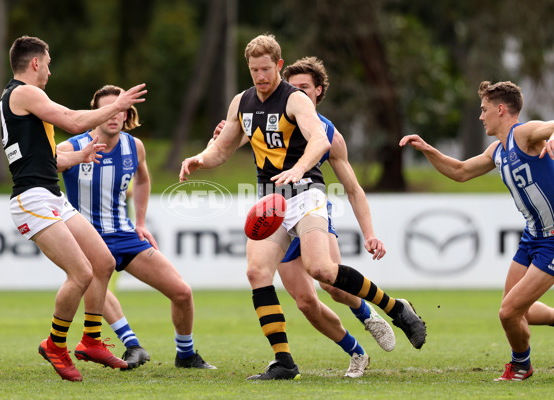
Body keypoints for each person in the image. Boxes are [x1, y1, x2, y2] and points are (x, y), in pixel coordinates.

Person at [180, 34, 426, 380]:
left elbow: (320, 139)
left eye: (266, 69)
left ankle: (395, 308)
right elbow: (221, 150)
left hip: (306, 192)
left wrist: (297, 168)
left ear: (278, 65)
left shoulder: (295, 99)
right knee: (257, 273)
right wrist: (199, 160)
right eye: (254, 70)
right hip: (269, 198)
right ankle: (284, 362)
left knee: (323, 271)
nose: (260, 76)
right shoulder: (242, 102)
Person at [0, 36, 146, 381]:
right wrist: (117, 105)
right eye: (47, 63)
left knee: (103, 262)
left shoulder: (23, 99)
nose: (49, 71)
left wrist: (76, 156)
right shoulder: (24, 92)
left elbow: (41, 155)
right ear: (35, 63)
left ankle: (92, 340)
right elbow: (74, 120)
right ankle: (55, 344)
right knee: (80, 272)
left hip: (49, 194)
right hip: (32, 200)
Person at [400, 80, 554, 381]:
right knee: (515, 311)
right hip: (531, 237)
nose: (480, 116)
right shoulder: (497, 150)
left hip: (552, 240)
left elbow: (550, 125)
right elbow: (459, 172)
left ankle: (521, 366)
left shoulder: (524, 135)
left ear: (500, 109)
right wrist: (428, 150)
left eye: (484, 110)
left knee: (508, 312)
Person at [58, 85, 215, 371]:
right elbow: (50, 163)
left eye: (122, 110)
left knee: (182, 292)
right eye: (109, 109)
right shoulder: (73, 146)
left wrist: (140, 222)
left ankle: (186, 355)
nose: (115, 116)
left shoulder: (134, 146)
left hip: (125, 235)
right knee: (91, 282)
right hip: (86, 239)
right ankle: (132, 344)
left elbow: (142, 180)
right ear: (96, 113)